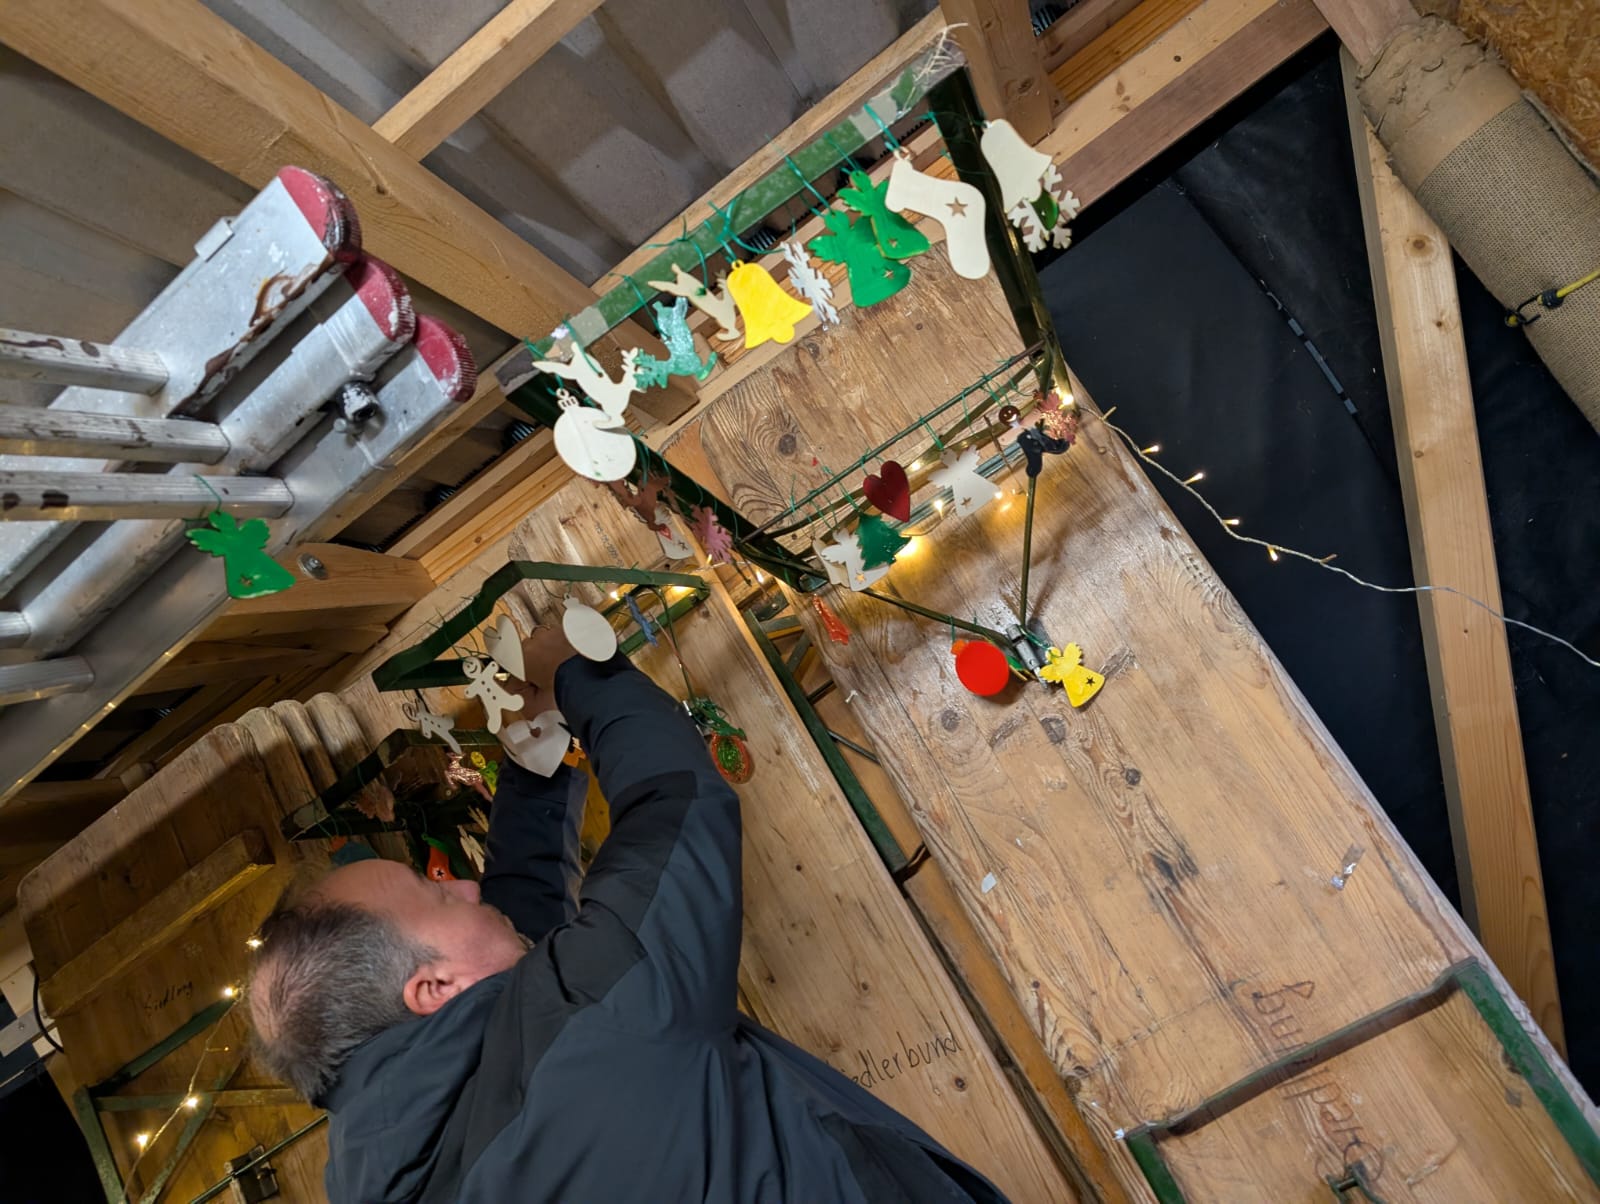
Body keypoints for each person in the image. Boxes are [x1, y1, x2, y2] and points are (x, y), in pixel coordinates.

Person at [249, 627, 1010, 1203]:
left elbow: (532, 978)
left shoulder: (398, 1167)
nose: (469, 888)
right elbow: (674, 809)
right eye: (441, 895)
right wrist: (574, 672)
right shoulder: (592, 1032)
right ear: (433, 988)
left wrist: (532, 752)